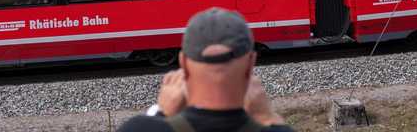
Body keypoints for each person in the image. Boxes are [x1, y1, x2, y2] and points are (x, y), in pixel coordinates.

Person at [115, 8, 295, 132]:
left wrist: (161, 112)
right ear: (250, 64)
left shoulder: (139, 128)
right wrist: (266, 117)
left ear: (183, 64)